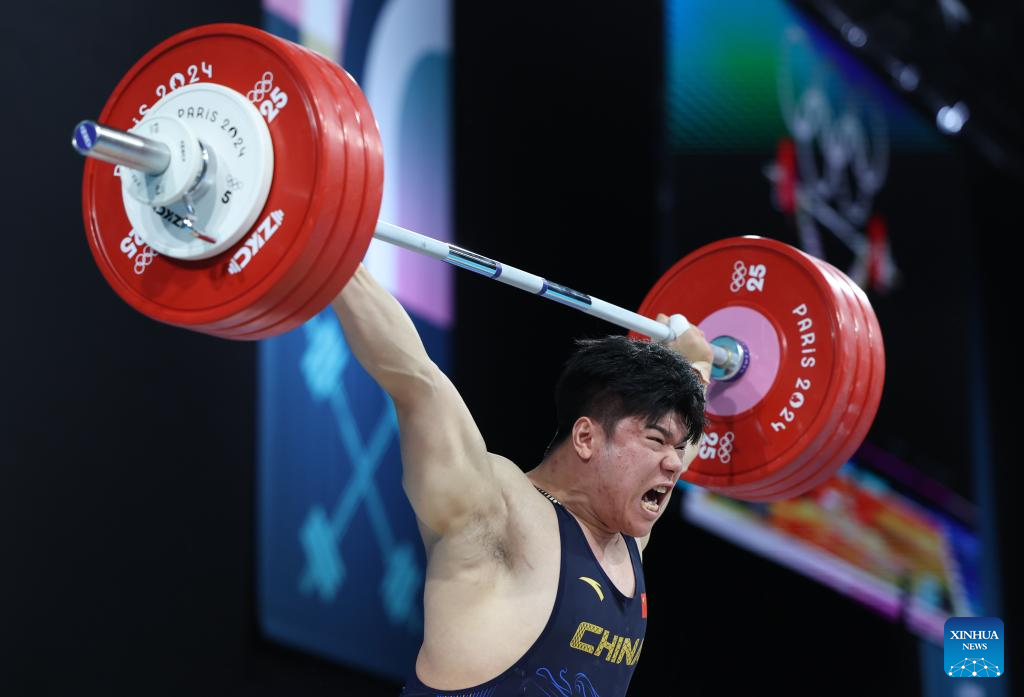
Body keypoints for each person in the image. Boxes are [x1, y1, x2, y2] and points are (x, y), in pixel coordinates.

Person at [332, 264, 713, 697]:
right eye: (656, 440)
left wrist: (696, 365)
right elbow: (416, 381)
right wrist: (334, 255)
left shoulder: (625, 541)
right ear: (586, 438)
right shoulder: (498, 512)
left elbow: (680, 448)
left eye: (678, 448)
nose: (674, 463)